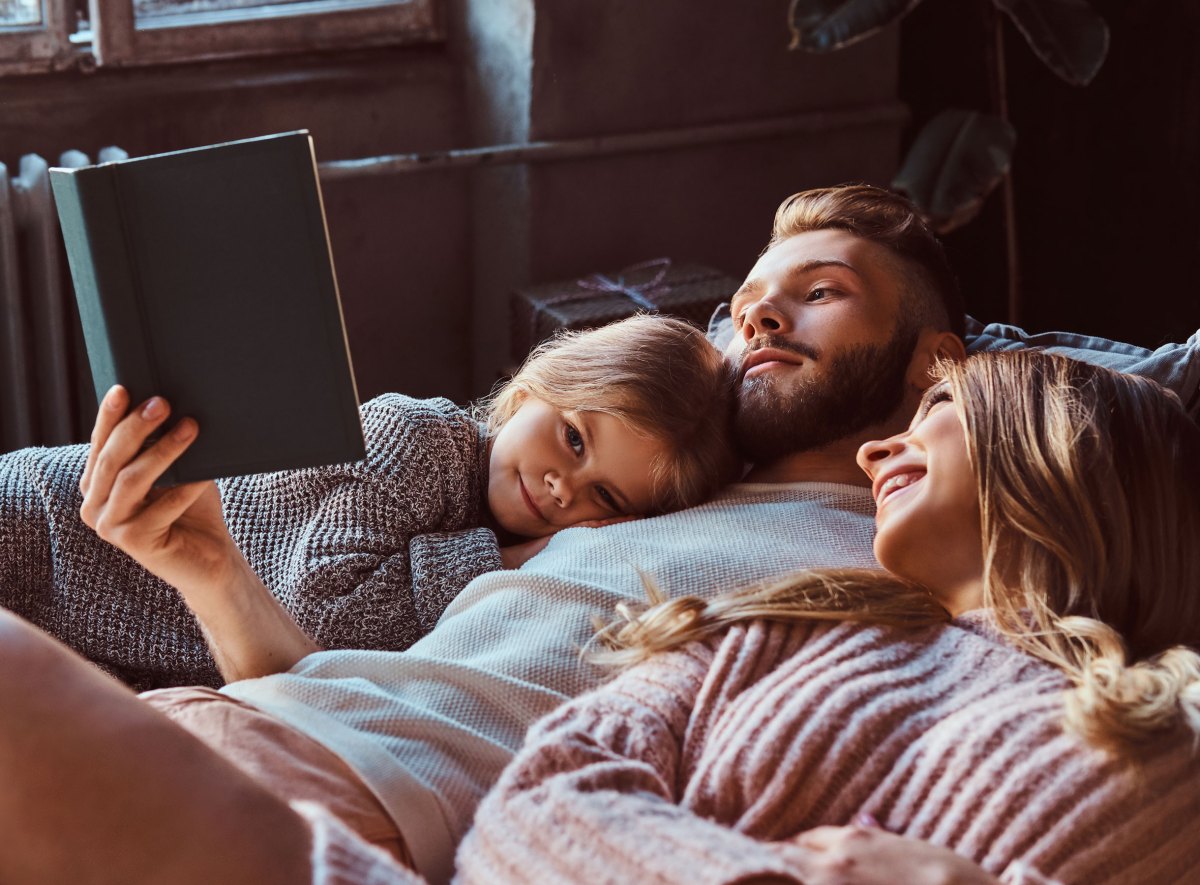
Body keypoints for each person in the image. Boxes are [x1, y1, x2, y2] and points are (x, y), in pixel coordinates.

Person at [0, 184, 1190, 884]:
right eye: (746, 299)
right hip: (271, 726)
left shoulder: (900, 576)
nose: (755, 311)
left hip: (346, 804)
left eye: (822, 290)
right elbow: (407, 695)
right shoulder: (663, 494)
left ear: (945, 366)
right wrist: (205, 567)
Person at [450, 350, 1200, 884]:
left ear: (1064, 445)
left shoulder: (1172, 738)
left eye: (940, 406)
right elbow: (528, 812)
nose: (875, 452)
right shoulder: (784, 620)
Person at [0, 313, 736, 688]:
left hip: (92, 641)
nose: (561, 486)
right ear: (537, 388)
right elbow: (328, 618)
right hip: (44, 532)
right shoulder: (420, 439)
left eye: (602, 494)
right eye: (573, 439)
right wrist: (507, 555)